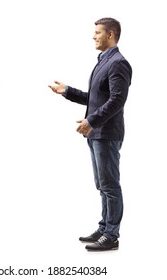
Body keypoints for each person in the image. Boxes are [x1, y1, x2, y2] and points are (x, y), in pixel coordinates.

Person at [49, 18, 132, 251]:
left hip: (106, 132)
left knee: (110, 185)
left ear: (111, 34)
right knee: (102, 184)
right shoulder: (103, 61)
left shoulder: (118, 63)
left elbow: (117, 100)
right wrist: (68, 92)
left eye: (98, 32)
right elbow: (96, 99)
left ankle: (112, 235)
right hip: (97, 133)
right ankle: (105, 227)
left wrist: (91, 120)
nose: (94, 36)